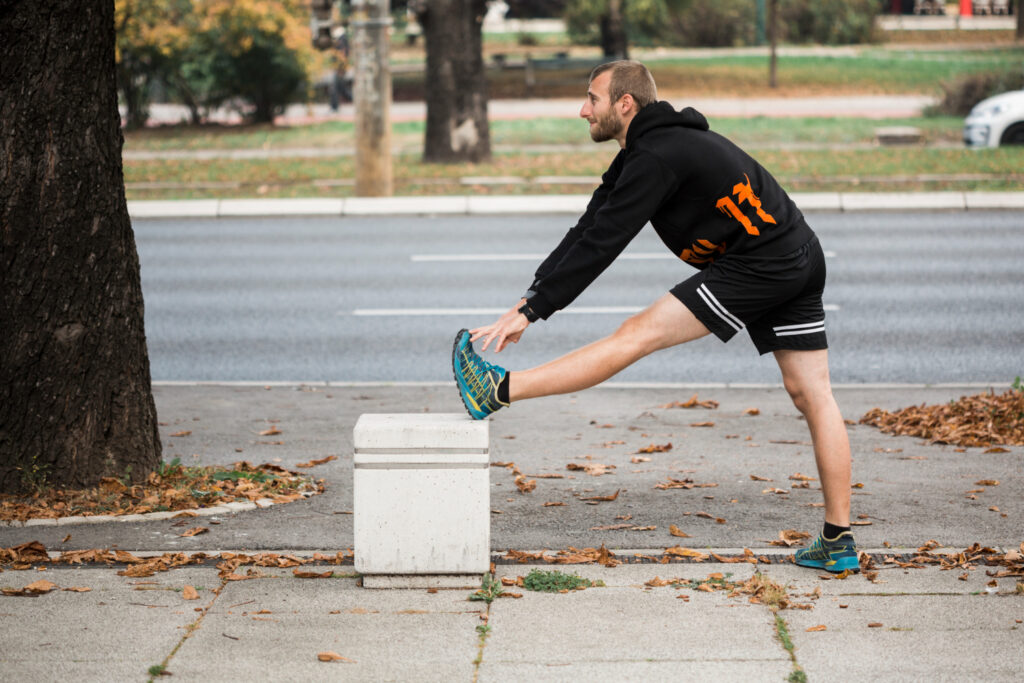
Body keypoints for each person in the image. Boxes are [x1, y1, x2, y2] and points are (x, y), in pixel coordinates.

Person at [451, 60, 858, 574]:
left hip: (762, 263)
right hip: (796, 249)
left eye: (592, 99)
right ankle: (837, 541)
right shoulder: (645, 151)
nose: (582, 110)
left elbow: (604, 243)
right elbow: (589, 224)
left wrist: (536, 309)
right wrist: (530, 298)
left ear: (625, 104)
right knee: (812, 394)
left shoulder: (657, 157)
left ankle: (497, 390)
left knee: (634, 336)